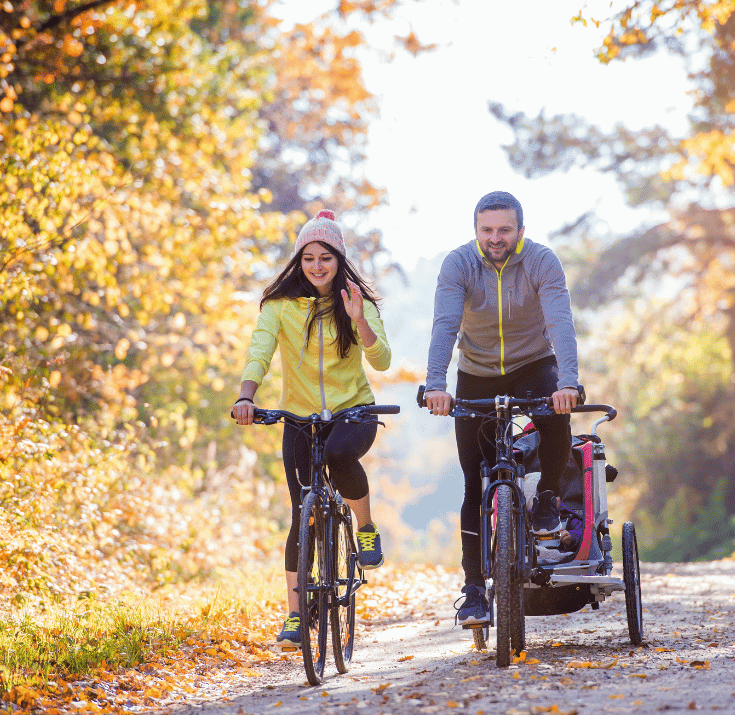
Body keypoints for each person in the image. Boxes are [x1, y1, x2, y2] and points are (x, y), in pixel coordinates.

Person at [232, 209, 392, 651]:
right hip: (299, 418)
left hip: (353, 413)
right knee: (300, 516)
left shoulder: (356, 301)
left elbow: (382, 361)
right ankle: (297, 617)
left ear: (339, 260)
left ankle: (365, 528)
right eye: (308, 258)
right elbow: (259, 352)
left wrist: (358, 318)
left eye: (325, 257)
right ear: (298, 262)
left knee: (341, 455)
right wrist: (246, 396)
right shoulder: (280, 307)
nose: (317, 266)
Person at [423, 190, 580, 627]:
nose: (495, 238)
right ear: (476, 231)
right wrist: (436, 384)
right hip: (476, 373)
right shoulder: (459, 264)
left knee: (555, 417)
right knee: (474, 483)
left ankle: (546, 497)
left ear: (520, 231)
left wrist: (568, 381)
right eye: (487, 230)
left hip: (534, 364)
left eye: (504, 230)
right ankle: (474, 592)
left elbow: (559, 322)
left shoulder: (542, 261)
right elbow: (445, 325)